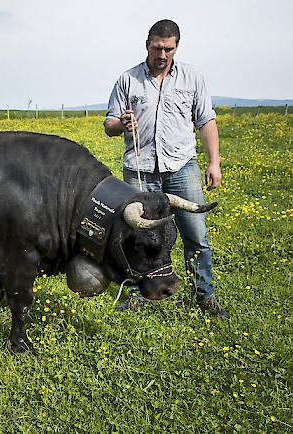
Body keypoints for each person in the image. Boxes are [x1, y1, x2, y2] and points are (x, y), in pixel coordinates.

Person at [103, 19, 227, 318]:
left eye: (168, 49)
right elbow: (109, 125)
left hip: (181, 168)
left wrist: (214, 162)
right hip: (140, 169)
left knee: (195, 233)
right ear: (147, 45)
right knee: (137, 235)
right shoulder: (127, 80)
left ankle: (204, 295)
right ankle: (137, 292)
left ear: (176, 47)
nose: (162, 54)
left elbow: (205, 121)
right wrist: (121, 123)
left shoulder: (192, 78)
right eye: (157, 47)